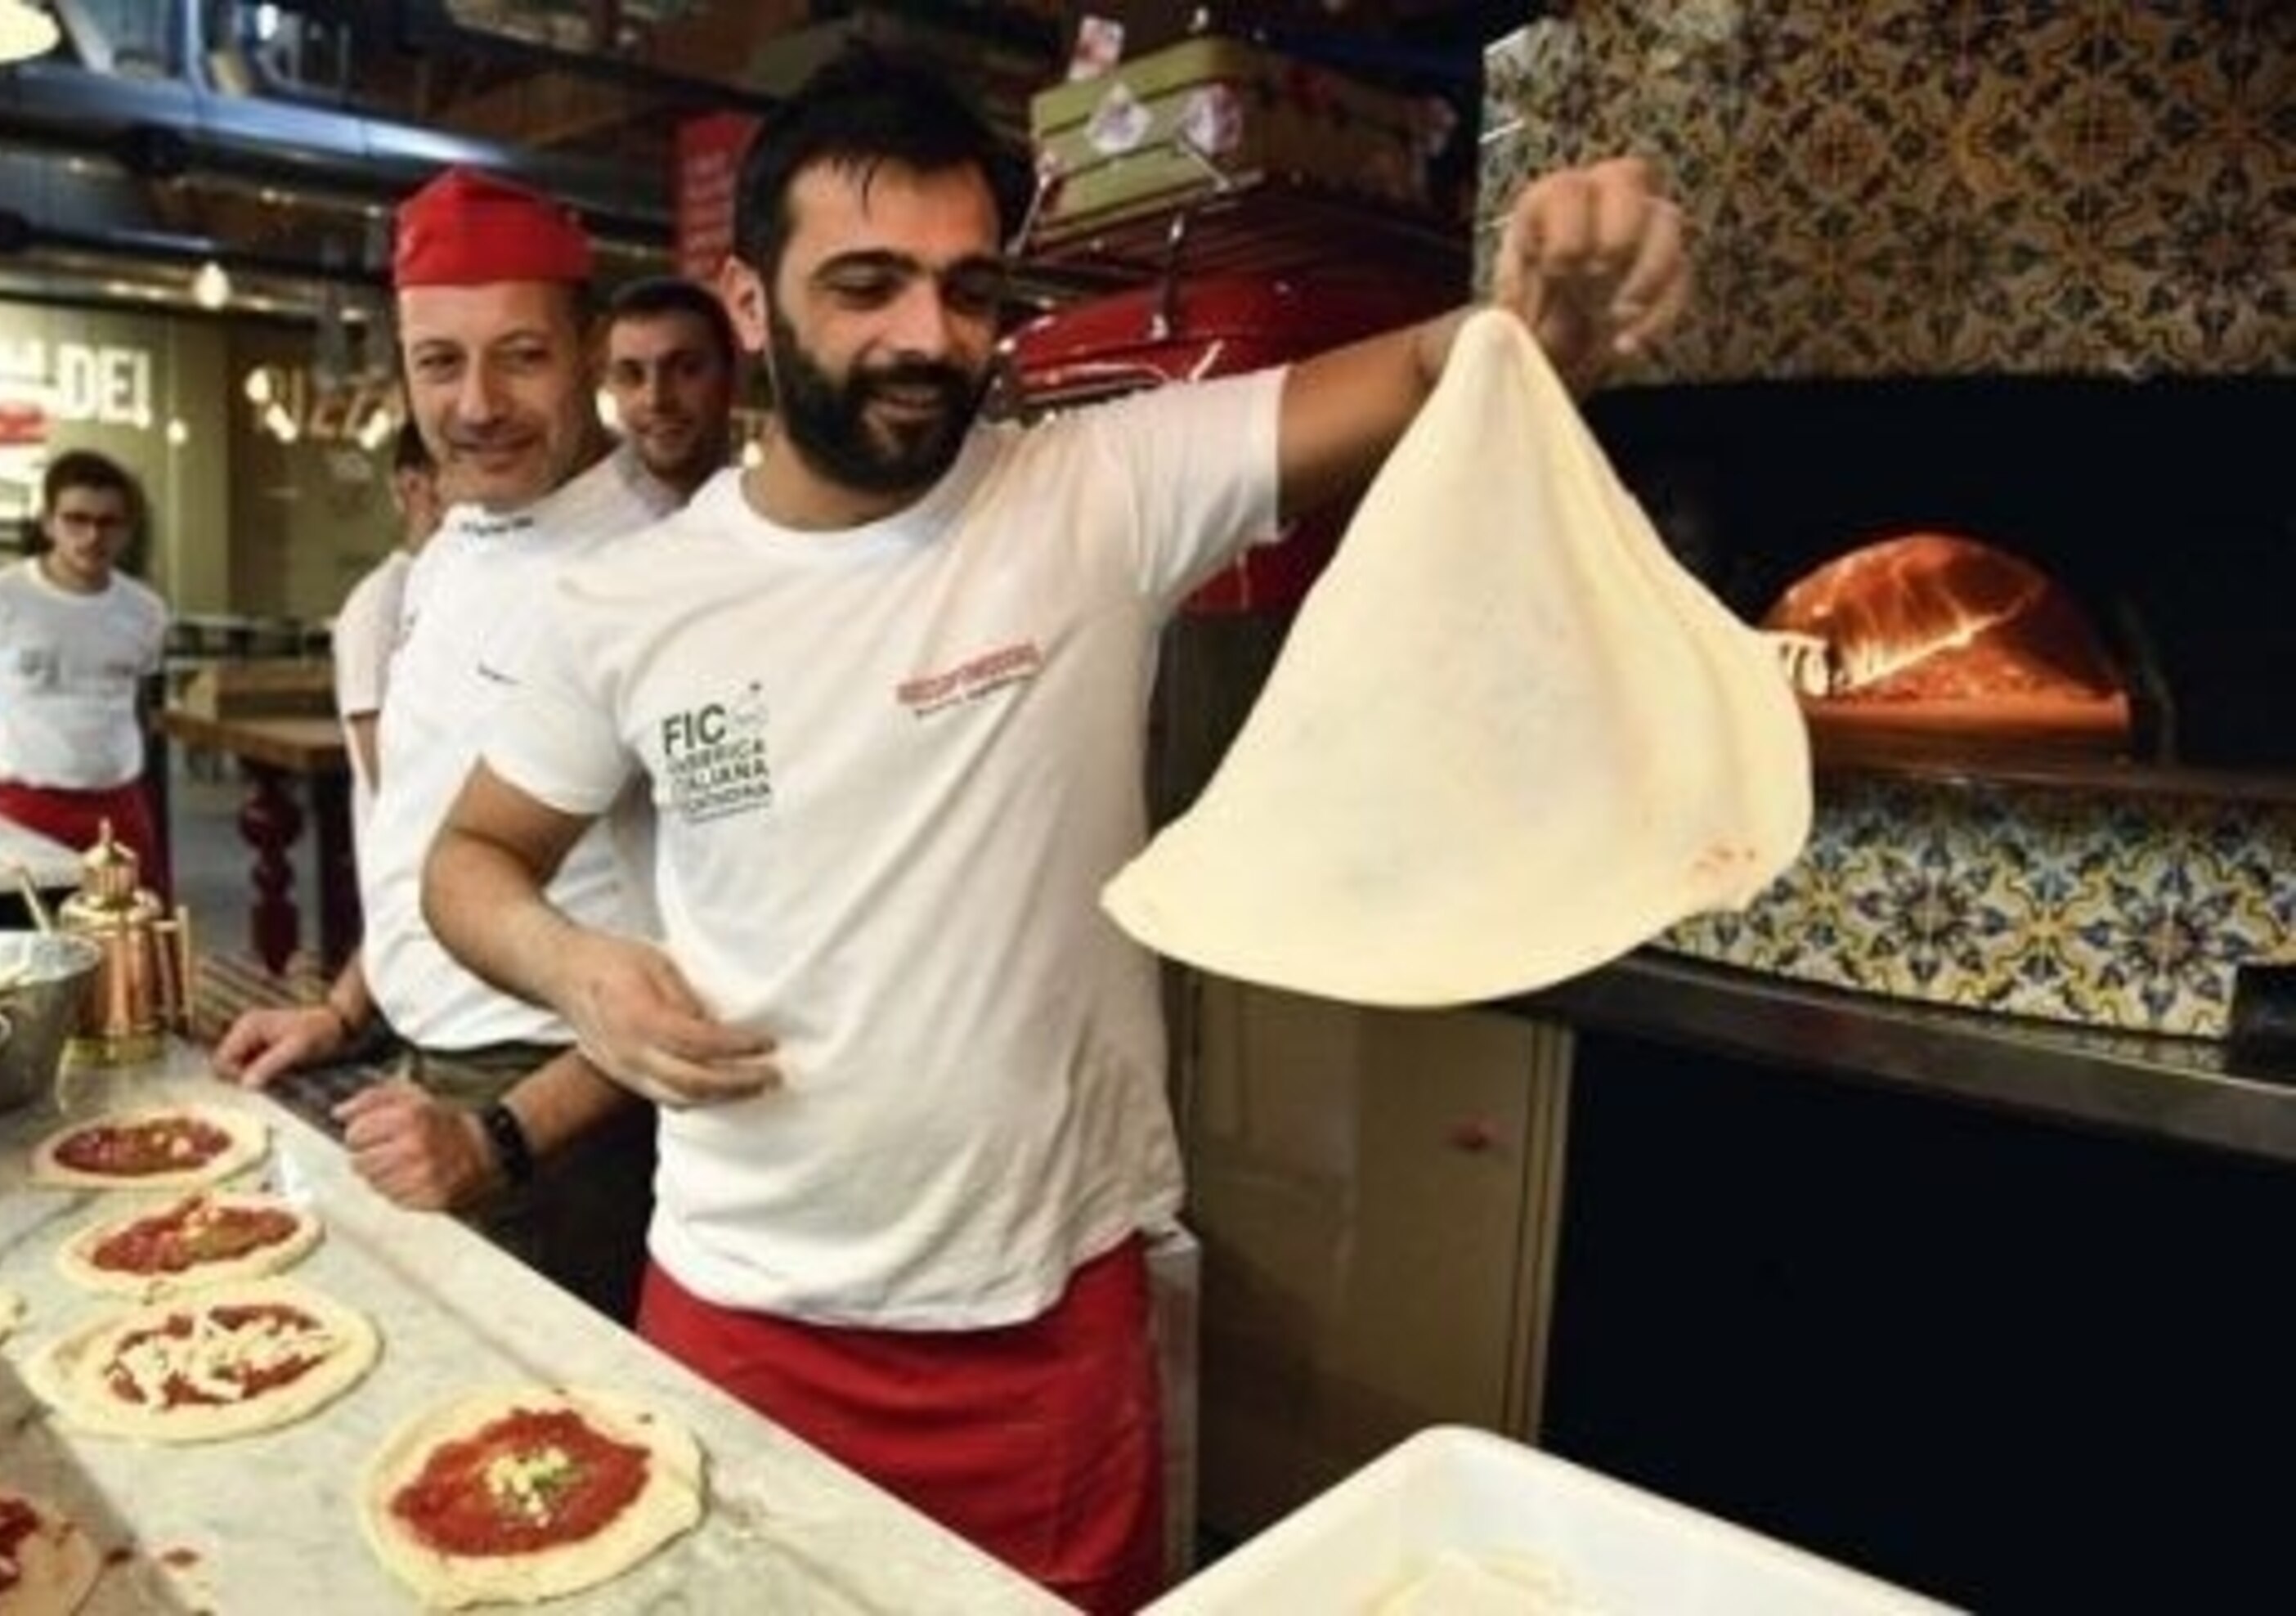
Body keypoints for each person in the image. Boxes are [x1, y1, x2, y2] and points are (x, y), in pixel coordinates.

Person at [421, 47, 1687, 1615]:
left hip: (1044, 1331)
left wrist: (1542, 312)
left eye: (966, 291)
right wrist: (577, 967)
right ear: (746, 301)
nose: (925, 338)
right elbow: (469, 865)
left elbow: (1444, 370)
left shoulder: (1098, 489)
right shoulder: (624, 604)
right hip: (742, 1313)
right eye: (866, 284)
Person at [210, 170, 740, 1323]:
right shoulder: (454, 548)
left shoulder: (665, 577)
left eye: (522, 355)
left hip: (564, 1121)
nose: (478, 404)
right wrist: (346, 1011)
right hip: (429, 1078)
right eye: (440, 363)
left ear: (592, 348)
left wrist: (498, 1137)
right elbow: (421, 834)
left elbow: (723, 956)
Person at [0, 448, 172, 897]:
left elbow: (137, 702)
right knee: (32, 946)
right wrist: (24, 753)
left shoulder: (145, 610)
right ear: (48, 522)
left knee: (134, 946)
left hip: (120, 802)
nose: (92, 536)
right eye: (76, 519)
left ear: (127, 529)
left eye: (108, 522)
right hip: (23, 803)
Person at [331, 425, 445, 853]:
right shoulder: (378, 602)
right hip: (414, 859)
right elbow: (380, 761)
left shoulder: (469, 585)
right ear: (414, 485)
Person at [600, 275, 742, 496]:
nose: (656, 398)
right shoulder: (574, 527)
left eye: (685, 369)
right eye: (632, 375)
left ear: (733, 376)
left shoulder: (782, 519)